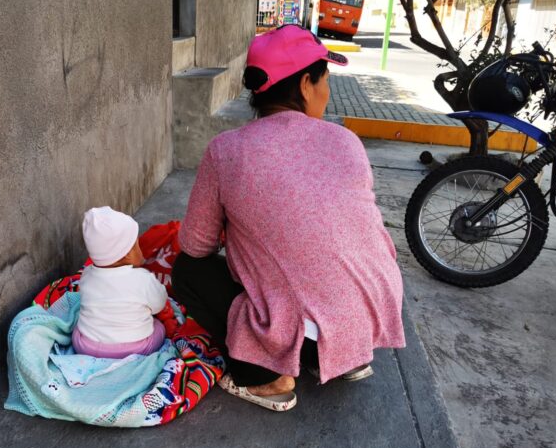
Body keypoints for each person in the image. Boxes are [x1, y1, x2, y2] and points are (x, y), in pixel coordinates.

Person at [171, 25, 405, 412]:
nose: (327, 94)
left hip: (303, 337)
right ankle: (347, 357)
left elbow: (196, 245)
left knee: (188, 272)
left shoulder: (226, 151)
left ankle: (267, 378)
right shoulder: (346, 141)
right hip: (366, 322)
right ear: (304, 85)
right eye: (325, 81)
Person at [73, 206, 168, 359]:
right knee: (159, 328)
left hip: (86, 347)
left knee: (77, 330)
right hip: (135, 348)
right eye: (137, 245)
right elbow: (159, 304)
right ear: (127, 255)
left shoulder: (86, 275)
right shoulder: (142, 279)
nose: (141, 249)